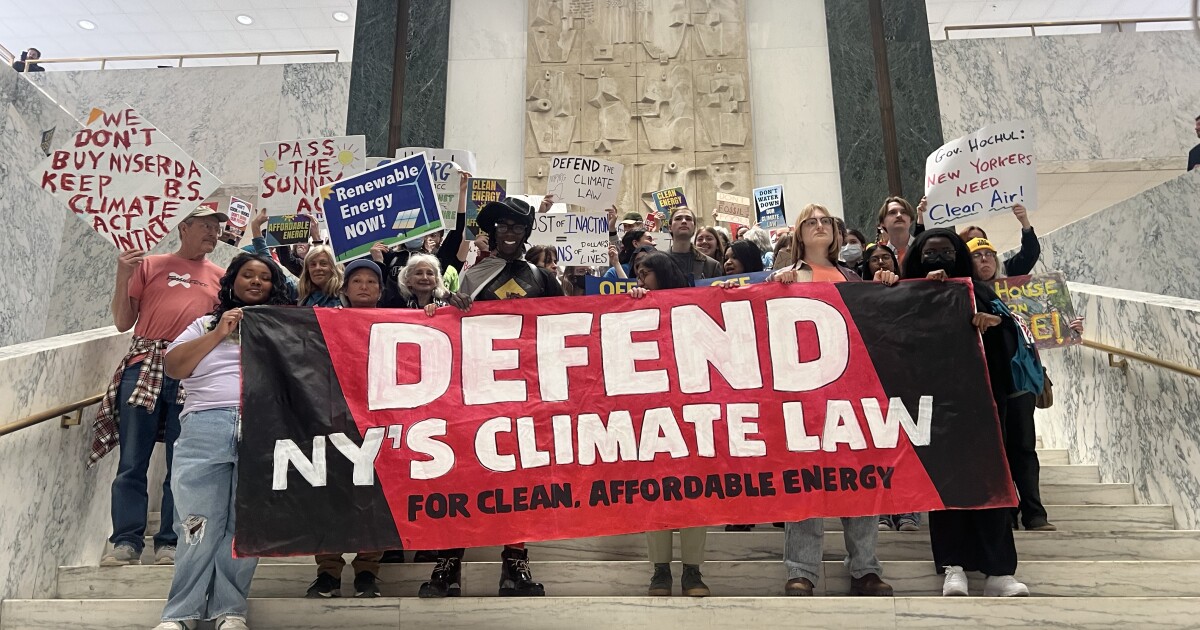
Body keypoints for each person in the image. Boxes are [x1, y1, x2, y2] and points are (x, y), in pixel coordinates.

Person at [420, 197, 560, 599]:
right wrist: (446, 309)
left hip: (527, 394)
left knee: (521, 478)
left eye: (518, 227)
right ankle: (448, 562)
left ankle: (515, 562)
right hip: (476, 392)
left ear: (527, 232)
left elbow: (568, 323)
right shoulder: (472, 275)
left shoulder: (542, 277)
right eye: (503, 226)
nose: (510, 233)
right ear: (494, 232)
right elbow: (448, 329)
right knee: (462, 475)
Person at [153, 253, 292, 630]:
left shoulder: (285, 328)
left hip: (264, 429)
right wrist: (219, 333)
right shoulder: (202, 324)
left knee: (244, 527)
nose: (256, 282)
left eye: (265, 277)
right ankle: (180, 614)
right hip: (205, 426)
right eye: (248, 275)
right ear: (232, 282)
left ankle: (229, 611)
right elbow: (174, 367)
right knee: (198, 524)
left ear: (274, 287)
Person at [765, 203, 896, 597]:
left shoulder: (854, 277)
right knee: (805, 483)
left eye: (826, 221)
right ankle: (802, 569)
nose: (820, 226)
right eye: (811, 221)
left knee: (861, 481)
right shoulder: (782, 278)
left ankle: (865, 568)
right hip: (802, 400)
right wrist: (776, 288)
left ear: (836, 233)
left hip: (853, 397)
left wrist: (887, 286)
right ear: (799, 234)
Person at [95, 205, 229, 568]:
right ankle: (125, 541)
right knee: (132, 459)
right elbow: (124, 321)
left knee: (181, 462)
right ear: (183, 227)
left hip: (191, 371)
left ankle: (169, 542)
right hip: (144, 366)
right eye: (205, 226)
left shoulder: (220, 276)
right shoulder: (149, 265)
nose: (213, 234)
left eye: (217, 230)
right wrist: (123, 274)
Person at [902, 228, 1029, 598]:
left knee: (991, 484)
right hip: (934, 407)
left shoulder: (982, 294)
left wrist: (992, 326)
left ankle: (999, 571)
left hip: (983, 407)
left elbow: (1008, 342)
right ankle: (952, 566)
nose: (938, 258)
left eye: (946, 252)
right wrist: (919, 294)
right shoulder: (903, 297)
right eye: (930, 252)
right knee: (946, 487)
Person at [626, 252, 710, 596]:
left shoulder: (696, 306)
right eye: (638, 275)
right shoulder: (633, 306)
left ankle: (692, 571)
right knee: (655, 494)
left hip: (692, 414)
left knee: (695, 494)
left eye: (646, 274)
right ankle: (660, 571)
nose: (640, 280)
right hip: (652, 416)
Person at [304, 259, 386, 599]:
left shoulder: (396, 321)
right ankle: (328, 571)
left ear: (381, 290)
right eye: (357, 281)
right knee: (329, 496)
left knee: (374, 498)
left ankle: (367, 570)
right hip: (332, 419)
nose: (364, 286)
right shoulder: (324, 321)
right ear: (345, 288)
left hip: (379, 422)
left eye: (371, 281)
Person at [957, 204, 1040, 277]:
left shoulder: (1002, 272)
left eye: (981, 240)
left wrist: (1025, 224)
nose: (977, 244)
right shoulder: (956, 280)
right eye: (970, 241)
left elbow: (1029, 254)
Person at [666, 207, 722, 281]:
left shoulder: (712, 266)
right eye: (678, 218)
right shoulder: (657, 263)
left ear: (694, 228)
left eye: (688, 219)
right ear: (670, 227)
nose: (684, 221)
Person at [876, 196, 919, 263]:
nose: (899, 215)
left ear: (911, 221)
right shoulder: (877, 257)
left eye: (904, 212)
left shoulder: (923, 249)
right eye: (892, 212)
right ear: (882, 223)